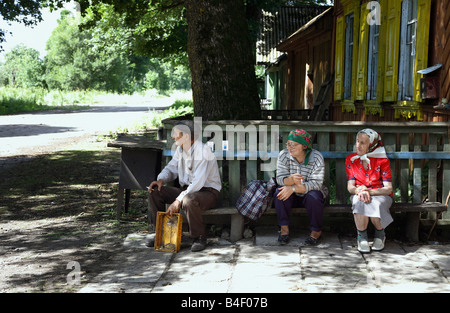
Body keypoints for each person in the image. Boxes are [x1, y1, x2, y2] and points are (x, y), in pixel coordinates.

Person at [147, 120, 221, 252]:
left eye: (176, 134)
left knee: (189, 200)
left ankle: (199, 238)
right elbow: (171, 168)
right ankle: (162, 234)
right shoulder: (180, 149)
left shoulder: (203, 152)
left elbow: (197, 184)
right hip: (188, 190)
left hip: (208, 193)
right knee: (155, 191)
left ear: (186, 137)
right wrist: (161, 180)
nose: (173, 137)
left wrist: (178, 200)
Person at [274, 129, 328, 246]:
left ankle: (316, 231)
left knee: (314, 196)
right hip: (291, 196)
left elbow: (316, 184)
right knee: (279, 193)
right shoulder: (283, 155)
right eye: (288, 144)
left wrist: (293, 188)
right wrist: (290, 181)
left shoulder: (316, 157)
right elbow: (280, 179)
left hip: (309, 194)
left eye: (293, 145)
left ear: (304, 146)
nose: (290, 148)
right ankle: (284, 229)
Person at [345, 128, 393, 253]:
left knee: (375, 203)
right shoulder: (351, 159)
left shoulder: (382, 160)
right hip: (359, 193)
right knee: (360, 200)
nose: (358, 146)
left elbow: (388, 189)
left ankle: (380, 234)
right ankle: (362, 238)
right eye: (357, 141)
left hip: (380, 194)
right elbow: (350, 187)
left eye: (363, 143)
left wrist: (369, 191)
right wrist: (359, 191)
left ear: (371, 145)